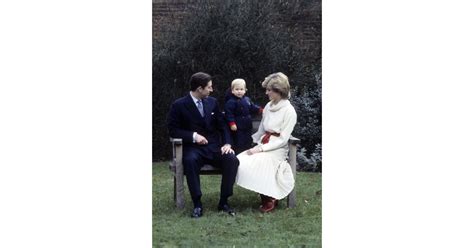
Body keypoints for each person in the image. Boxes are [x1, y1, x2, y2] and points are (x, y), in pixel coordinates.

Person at [167, 72, 240, 218]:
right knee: (189, 161)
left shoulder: (212, 102)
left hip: (214, 147)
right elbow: (173, 129)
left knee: (232, 159)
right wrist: (193, 136)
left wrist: (227, 143)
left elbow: (223, 126)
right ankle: (197, 204)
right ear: (200, 89)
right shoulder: (179, 105)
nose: (211, 90)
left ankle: (224, 202)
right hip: (193, 149)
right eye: (209, 87)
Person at [235, 72, 297, 213]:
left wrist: (261, 149)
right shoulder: (269, 106)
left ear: (279, 91)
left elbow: (282, 140)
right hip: (263, 144)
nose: (266, 92)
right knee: (240, 160)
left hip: (277, 149)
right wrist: (249, 142)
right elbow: (262, 130)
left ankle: (271, 197)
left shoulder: (289, 111)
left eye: (269, 90)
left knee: (259, 160)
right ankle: (265, 192)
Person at [224, 78, 263, 155]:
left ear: (245, 90)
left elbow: (252, 107)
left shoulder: (247, 99)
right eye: (237, 89)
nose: (239, 91)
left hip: (247, 126)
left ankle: (247, 155)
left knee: (248, 141)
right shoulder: (231, 102)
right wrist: (232, 123)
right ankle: (239, 156)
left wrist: (260, 110)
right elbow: (229, 114)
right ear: (232, 90)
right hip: (238, 127)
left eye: (241, 89)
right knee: (239, 143)